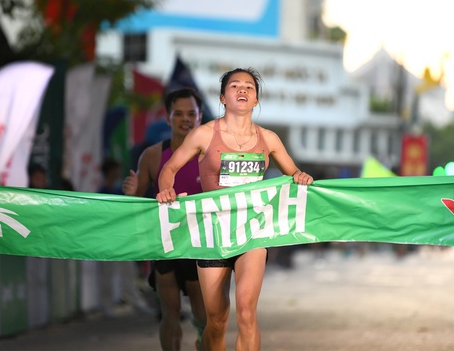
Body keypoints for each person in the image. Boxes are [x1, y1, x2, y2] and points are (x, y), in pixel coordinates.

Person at [156, 68, 313, 351]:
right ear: (222, 97)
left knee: (246, 313)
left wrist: (301, 177)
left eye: (249, 87)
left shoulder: (270, 139)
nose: (242, 90)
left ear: (255, 100)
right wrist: (166, 188)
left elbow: (295, 175)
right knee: (216, 322)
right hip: (212, 234)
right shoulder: (204, 135)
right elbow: (169, 168)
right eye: (235, 86)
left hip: (253, 231)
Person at [123, 88, 207, 351]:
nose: (185, 119)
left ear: (200, 117)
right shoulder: (152, 156)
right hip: (165, 246)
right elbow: (134, 203)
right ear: (168, 117)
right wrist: (131, 192)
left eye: (191, 114)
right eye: (178, 113)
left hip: (200, 247)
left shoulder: (210, 156)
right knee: (169, 316)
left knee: (205, 320)